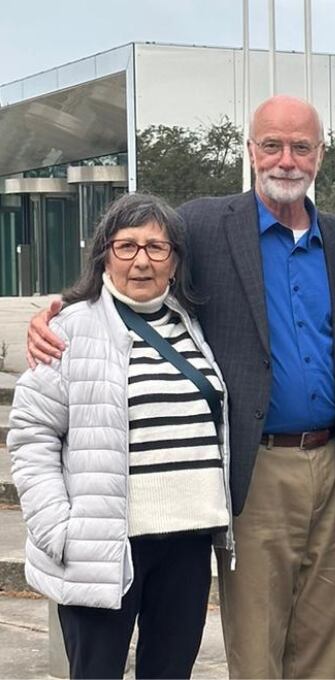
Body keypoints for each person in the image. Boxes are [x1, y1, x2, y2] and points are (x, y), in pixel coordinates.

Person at [26, 95, 335, 679]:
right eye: (272, 145)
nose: (286, 160)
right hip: (256, 471)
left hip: (333, 466)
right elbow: (135, 250)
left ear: (320, 155)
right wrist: (60, 309)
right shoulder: (207, 226)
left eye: (301, 147)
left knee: (320, 643)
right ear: (250, 150)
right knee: (256, 644)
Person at [8, 193, 232, 679]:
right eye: (127, 246)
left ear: (175, 261)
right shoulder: (69, 330)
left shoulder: (194, 325)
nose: (142, 261)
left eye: (157, 247)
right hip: (105, 544)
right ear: (104, 254)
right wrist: (58, 530)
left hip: (187, 542)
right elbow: (31, 437)